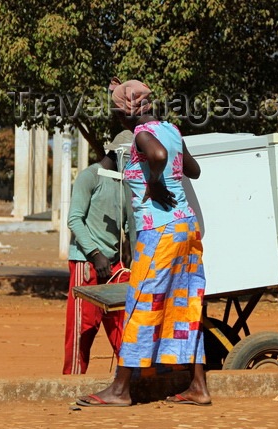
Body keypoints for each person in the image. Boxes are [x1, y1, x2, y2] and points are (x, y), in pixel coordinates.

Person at [76, 77, 211, 407]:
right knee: (186, 304)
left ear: (127, 115)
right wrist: (167, 172)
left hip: (160, 230)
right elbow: (192, 169)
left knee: (142, 304)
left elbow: (158, 154)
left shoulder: (142, 135)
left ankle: (120, 390)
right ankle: (198, 387)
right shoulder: (173, 130)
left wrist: (153, 183)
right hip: (186, 229)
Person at [63, 131, 132, 374]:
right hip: (87, 262)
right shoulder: (89, 176)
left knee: (121, 324)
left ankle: (129, 380)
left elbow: (125, 225)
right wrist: (95, 253)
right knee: (83, 327)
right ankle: (71, 381)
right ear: (119, 153)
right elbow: (74, 219)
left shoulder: (124, 183)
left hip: (114, 265)